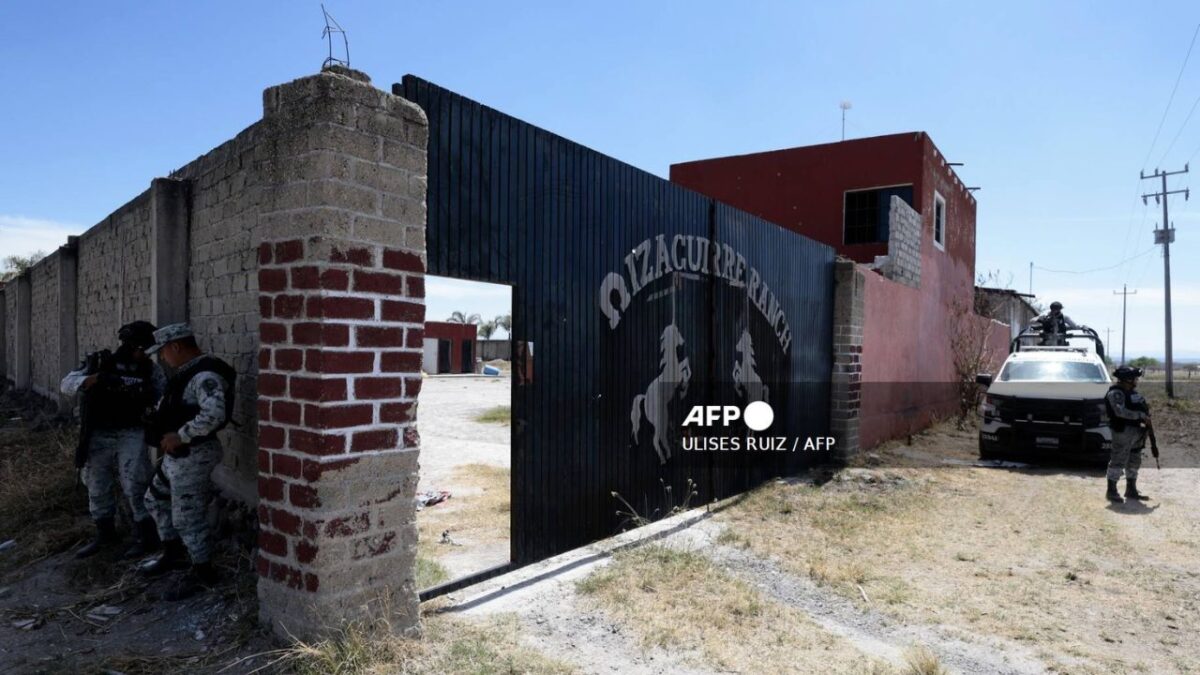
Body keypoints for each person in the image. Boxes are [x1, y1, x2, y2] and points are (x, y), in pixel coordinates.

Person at [139, 323, 236, 601]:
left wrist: (181, 435)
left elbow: (214, 414)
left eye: (164, 352)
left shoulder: (205, 375)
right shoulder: (186, 373)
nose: (163, 359)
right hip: (179, 455)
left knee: (187, 517)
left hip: (195, 453)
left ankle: (203, 572)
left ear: (176, 346)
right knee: (154, 499)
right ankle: (174, 554)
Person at [60, 321, 165, 559]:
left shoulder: (149, 369)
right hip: (99, 433)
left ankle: (145, 536)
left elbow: (163, 397)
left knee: (136, 483)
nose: (144, 354)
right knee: (97, 484)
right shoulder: (100, 363)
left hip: (132, 431)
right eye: (142, 349)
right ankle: (105, 534)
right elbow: (67, 385)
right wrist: (95, 379)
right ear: (131, 346)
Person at [1104, 365, 1152, 503]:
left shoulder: (1132, 392)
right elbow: (1120, 412)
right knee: (1118, 459)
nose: (1137, 380)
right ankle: (1111, 490)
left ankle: (1131, 489)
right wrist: (1140, 415)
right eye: (1135, 378)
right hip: (1123, 431)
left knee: (1134, 460)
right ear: (1128, 379)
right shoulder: (1116, 393)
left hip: (1137, 432)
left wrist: (1146, 417)